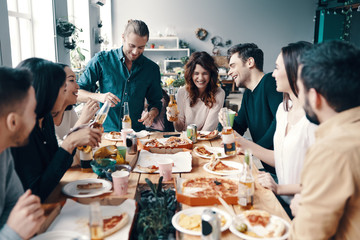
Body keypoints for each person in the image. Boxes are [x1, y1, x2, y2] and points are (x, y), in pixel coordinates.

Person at [234, 42, 317, 218]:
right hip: (280, 197)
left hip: (304, 208)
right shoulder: (283, 110)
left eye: (277, 67)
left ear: (298, 70)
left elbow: (321, 183)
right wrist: (243, 144)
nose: (273, 74)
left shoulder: (314, 120)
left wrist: (279, 188)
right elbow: (279, 157)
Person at [290, 40, 360, 239]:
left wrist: (301, 210)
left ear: (314, 97)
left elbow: (307, 236)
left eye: (300, 89)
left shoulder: (331, 150)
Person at [11, 58, 102, 202]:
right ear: (46, 92)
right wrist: (70, 142)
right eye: (63, 89)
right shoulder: (21, 132)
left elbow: (54, 167)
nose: (65, 93)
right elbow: (36, 193)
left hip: (54, 198)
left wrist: (75, 139)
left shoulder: (45, 119)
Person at [77, 19, 163, 132]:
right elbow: (77, 93)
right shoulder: (101, 60)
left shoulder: (151, 69)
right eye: (132, 45)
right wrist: (100, 97)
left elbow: (156, 102)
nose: (135, 51)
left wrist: (152, 114)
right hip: (104, 132)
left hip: (135, 134)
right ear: (123, 38)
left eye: (141, 47)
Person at [219, 43, 283, 174]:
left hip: (282, 170)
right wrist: (224, 120)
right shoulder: (248, 93)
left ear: (250, 62)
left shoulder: (270, 82)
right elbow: (238, 128)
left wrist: (253, 148)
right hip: (269, 170)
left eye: (232, 66)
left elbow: (279, 122)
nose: (229, 72)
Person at [0, 67, 45, 239]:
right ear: (13, 122)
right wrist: (12, 233)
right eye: (33, 111)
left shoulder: (3, 152)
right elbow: (15, 227)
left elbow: (14, 204)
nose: (36, 117)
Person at [167, 51, 225, 131]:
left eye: (205, 73)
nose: (200, 78)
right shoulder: (182, 92)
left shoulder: (219, 93)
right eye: (196, 73)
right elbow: (179, 129)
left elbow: (208, 130)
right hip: (185, 140)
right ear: (190, 74)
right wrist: (174, 118)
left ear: (211, 74)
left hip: (206, 141)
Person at [54, 64, 99, 166]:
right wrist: (82, 120)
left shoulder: (69, 110)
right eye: (71, 80)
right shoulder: (44, 119)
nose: (78, 86)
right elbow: (58, 157)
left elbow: (79, 150)